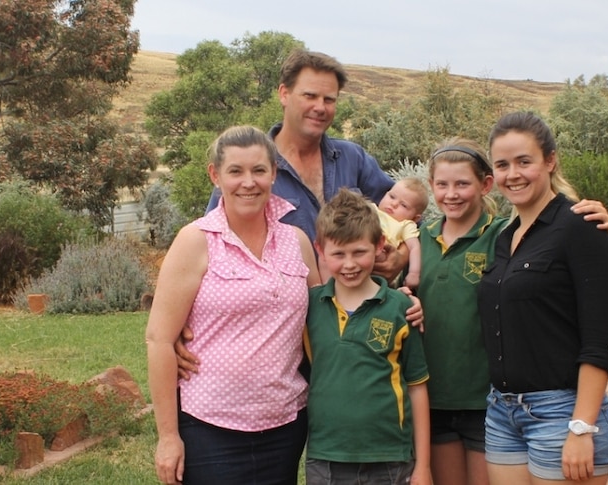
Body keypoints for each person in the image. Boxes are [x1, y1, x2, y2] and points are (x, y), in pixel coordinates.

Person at [418, 137, 608, 485]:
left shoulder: (501, 234)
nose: (452, 193)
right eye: (442, 184)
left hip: (492, 399)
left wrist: (598, 228)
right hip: (455, 400)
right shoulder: (420, 237)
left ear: (485, 185)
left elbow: (554, 242)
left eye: (463, 183)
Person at [145, 125, 321, 485]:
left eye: (259, 170)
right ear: (215, 175)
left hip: (285, 424)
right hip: (209, 426)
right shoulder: (195, 241)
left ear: (274, 173)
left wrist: (400, 301)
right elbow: (159, 340)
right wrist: (168, 437)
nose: (249, 182)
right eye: (235, 171)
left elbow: (328, 316)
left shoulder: (297, 241)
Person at [477, 112, 608, 484]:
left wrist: (582, 427)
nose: (513, 174)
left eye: (525, 161)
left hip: (561, 413)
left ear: (550, 160)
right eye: (503, 165)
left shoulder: (581, 226)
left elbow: (599, 341)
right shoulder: (504, 237)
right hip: (502, 412)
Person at [206, 49, 408, 280]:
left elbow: (411, 214)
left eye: (329, 99)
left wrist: (401, 257)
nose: (320, 107)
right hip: (287, 312)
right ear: (284, 93)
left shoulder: (353, 158)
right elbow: (212, 242)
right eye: (310, 96)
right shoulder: (249, 173)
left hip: (360, 309)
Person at [304, 188, 431, 484]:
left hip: (390, 458)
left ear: (379, 245)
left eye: (359, 252)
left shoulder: (401, 308)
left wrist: (423, 467)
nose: (349, 264)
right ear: (320, 250)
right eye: (338, 254)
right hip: (327, 457)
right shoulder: (309, 306)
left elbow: (417, 388)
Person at [321, 176, 429, 288]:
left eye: (404, 205)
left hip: (378, 263)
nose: (394, 204)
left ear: (415, 218)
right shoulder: (370, 209)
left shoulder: (406, 225)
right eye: (392, 196)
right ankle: (327, 286)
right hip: (352, 249)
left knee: (381, 253)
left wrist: (414, 273)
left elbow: (414, 247)